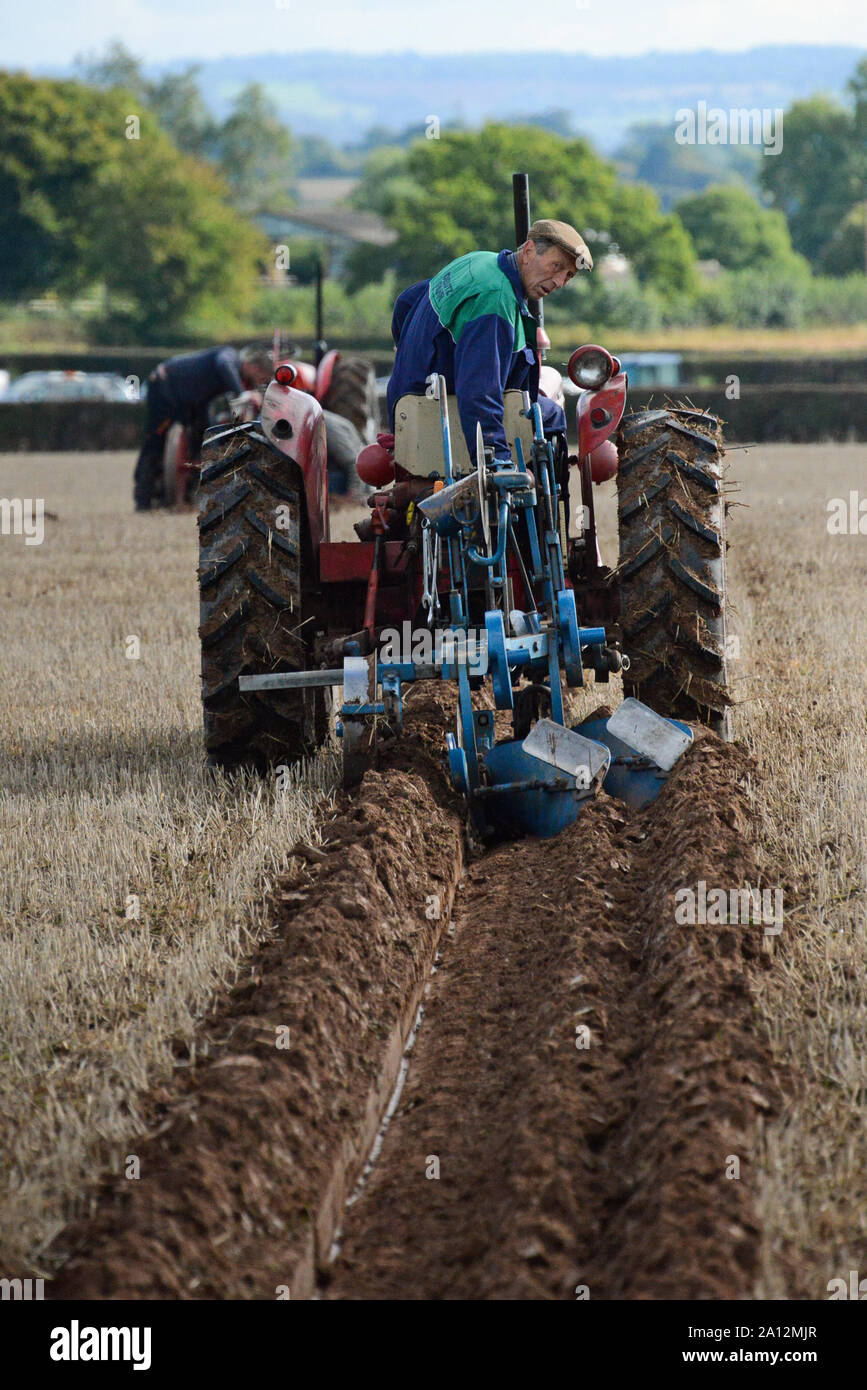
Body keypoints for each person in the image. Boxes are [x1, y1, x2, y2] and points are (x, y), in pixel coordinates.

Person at [386, 219, 593, 464]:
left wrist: (411, 358)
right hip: (442, 418)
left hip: (405, 406)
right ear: (528, 251)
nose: (559, 282)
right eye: (555, 266)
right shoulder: (496, 298)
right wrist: (497, 461)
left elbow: (406, 302)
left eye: (568, 275)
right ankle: (543, 496)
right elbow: (479, 391)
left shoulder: (478, 261)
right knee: (551, 416)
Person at [133, 345, 273, 510]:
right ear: (254, 367)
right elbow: (222, 364)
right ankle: (145, 499)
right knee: (155, 441)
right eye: (260, 377)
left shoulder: (232, 367)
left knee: (205, 439)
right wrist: (242, 393)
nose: (258, 383)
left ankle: (189, 494)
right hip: (164, 387)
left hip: (193, 401)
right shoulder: (229, 356)